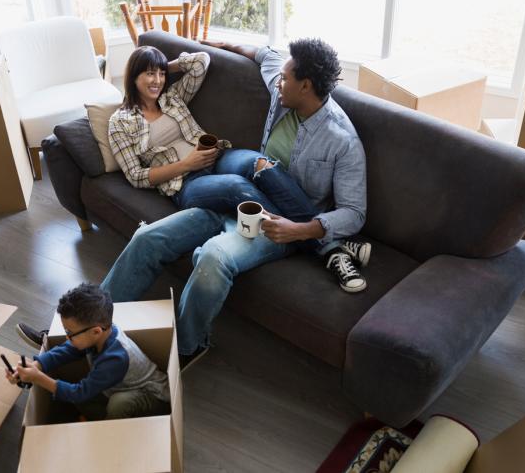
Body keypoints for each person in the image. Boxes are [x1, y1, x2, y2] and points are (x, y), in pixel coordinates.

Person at [22, 39, 369, 371]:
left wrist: (302, 229)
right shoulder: (283, 89)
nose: (279, 81)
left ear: (305, 86)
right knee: (147, 239)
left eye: (287, 78)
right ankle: (73, 334)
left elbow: (354, 213)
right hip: (226, 197)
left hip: (279, 226)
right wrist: (222, 44)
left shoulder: (342, 141)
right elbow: (264, 55)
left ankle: (188, 345)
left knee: (212, 256)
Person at [109, 45, 282, 212]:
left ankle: (306, 227)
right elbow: (136, 176)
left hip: (216, 157)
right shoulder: (120, 122)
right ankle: (292, 236)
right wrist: (186, 165)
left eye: (161, 74)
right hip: (185, 183)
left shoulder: (172, 97)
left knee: (260, 163)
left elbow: (200, 61)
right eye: (149, 74)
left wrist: (162, 66)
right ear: (133, 76)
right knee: (236, 186)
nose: (158, 80)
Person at [8, 283, 170, 421]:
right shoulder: (98, 335)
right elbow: (66, 350)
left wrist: (38, 378)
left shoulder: (115, 358)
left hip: (154, 399)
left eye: (70, 333)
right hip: (118, 387)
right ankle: (99, 420)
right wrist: (36, 365)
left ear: (96, 331)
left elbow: (79, 392)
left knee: (118, 403)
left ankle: (109, 429)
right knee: (76, 396)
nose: (67, 337)